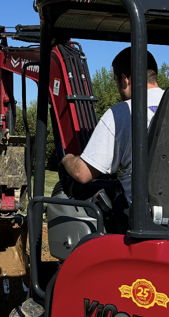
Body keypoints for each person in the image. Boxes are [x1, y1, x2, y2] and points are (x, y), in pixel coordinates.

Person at [60, 47, 163, 206]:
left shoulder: (123, 112)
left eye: (116, 82)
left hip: (139, 215)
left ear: (125, 79)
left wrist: (67, 159)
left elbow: (83, 173)